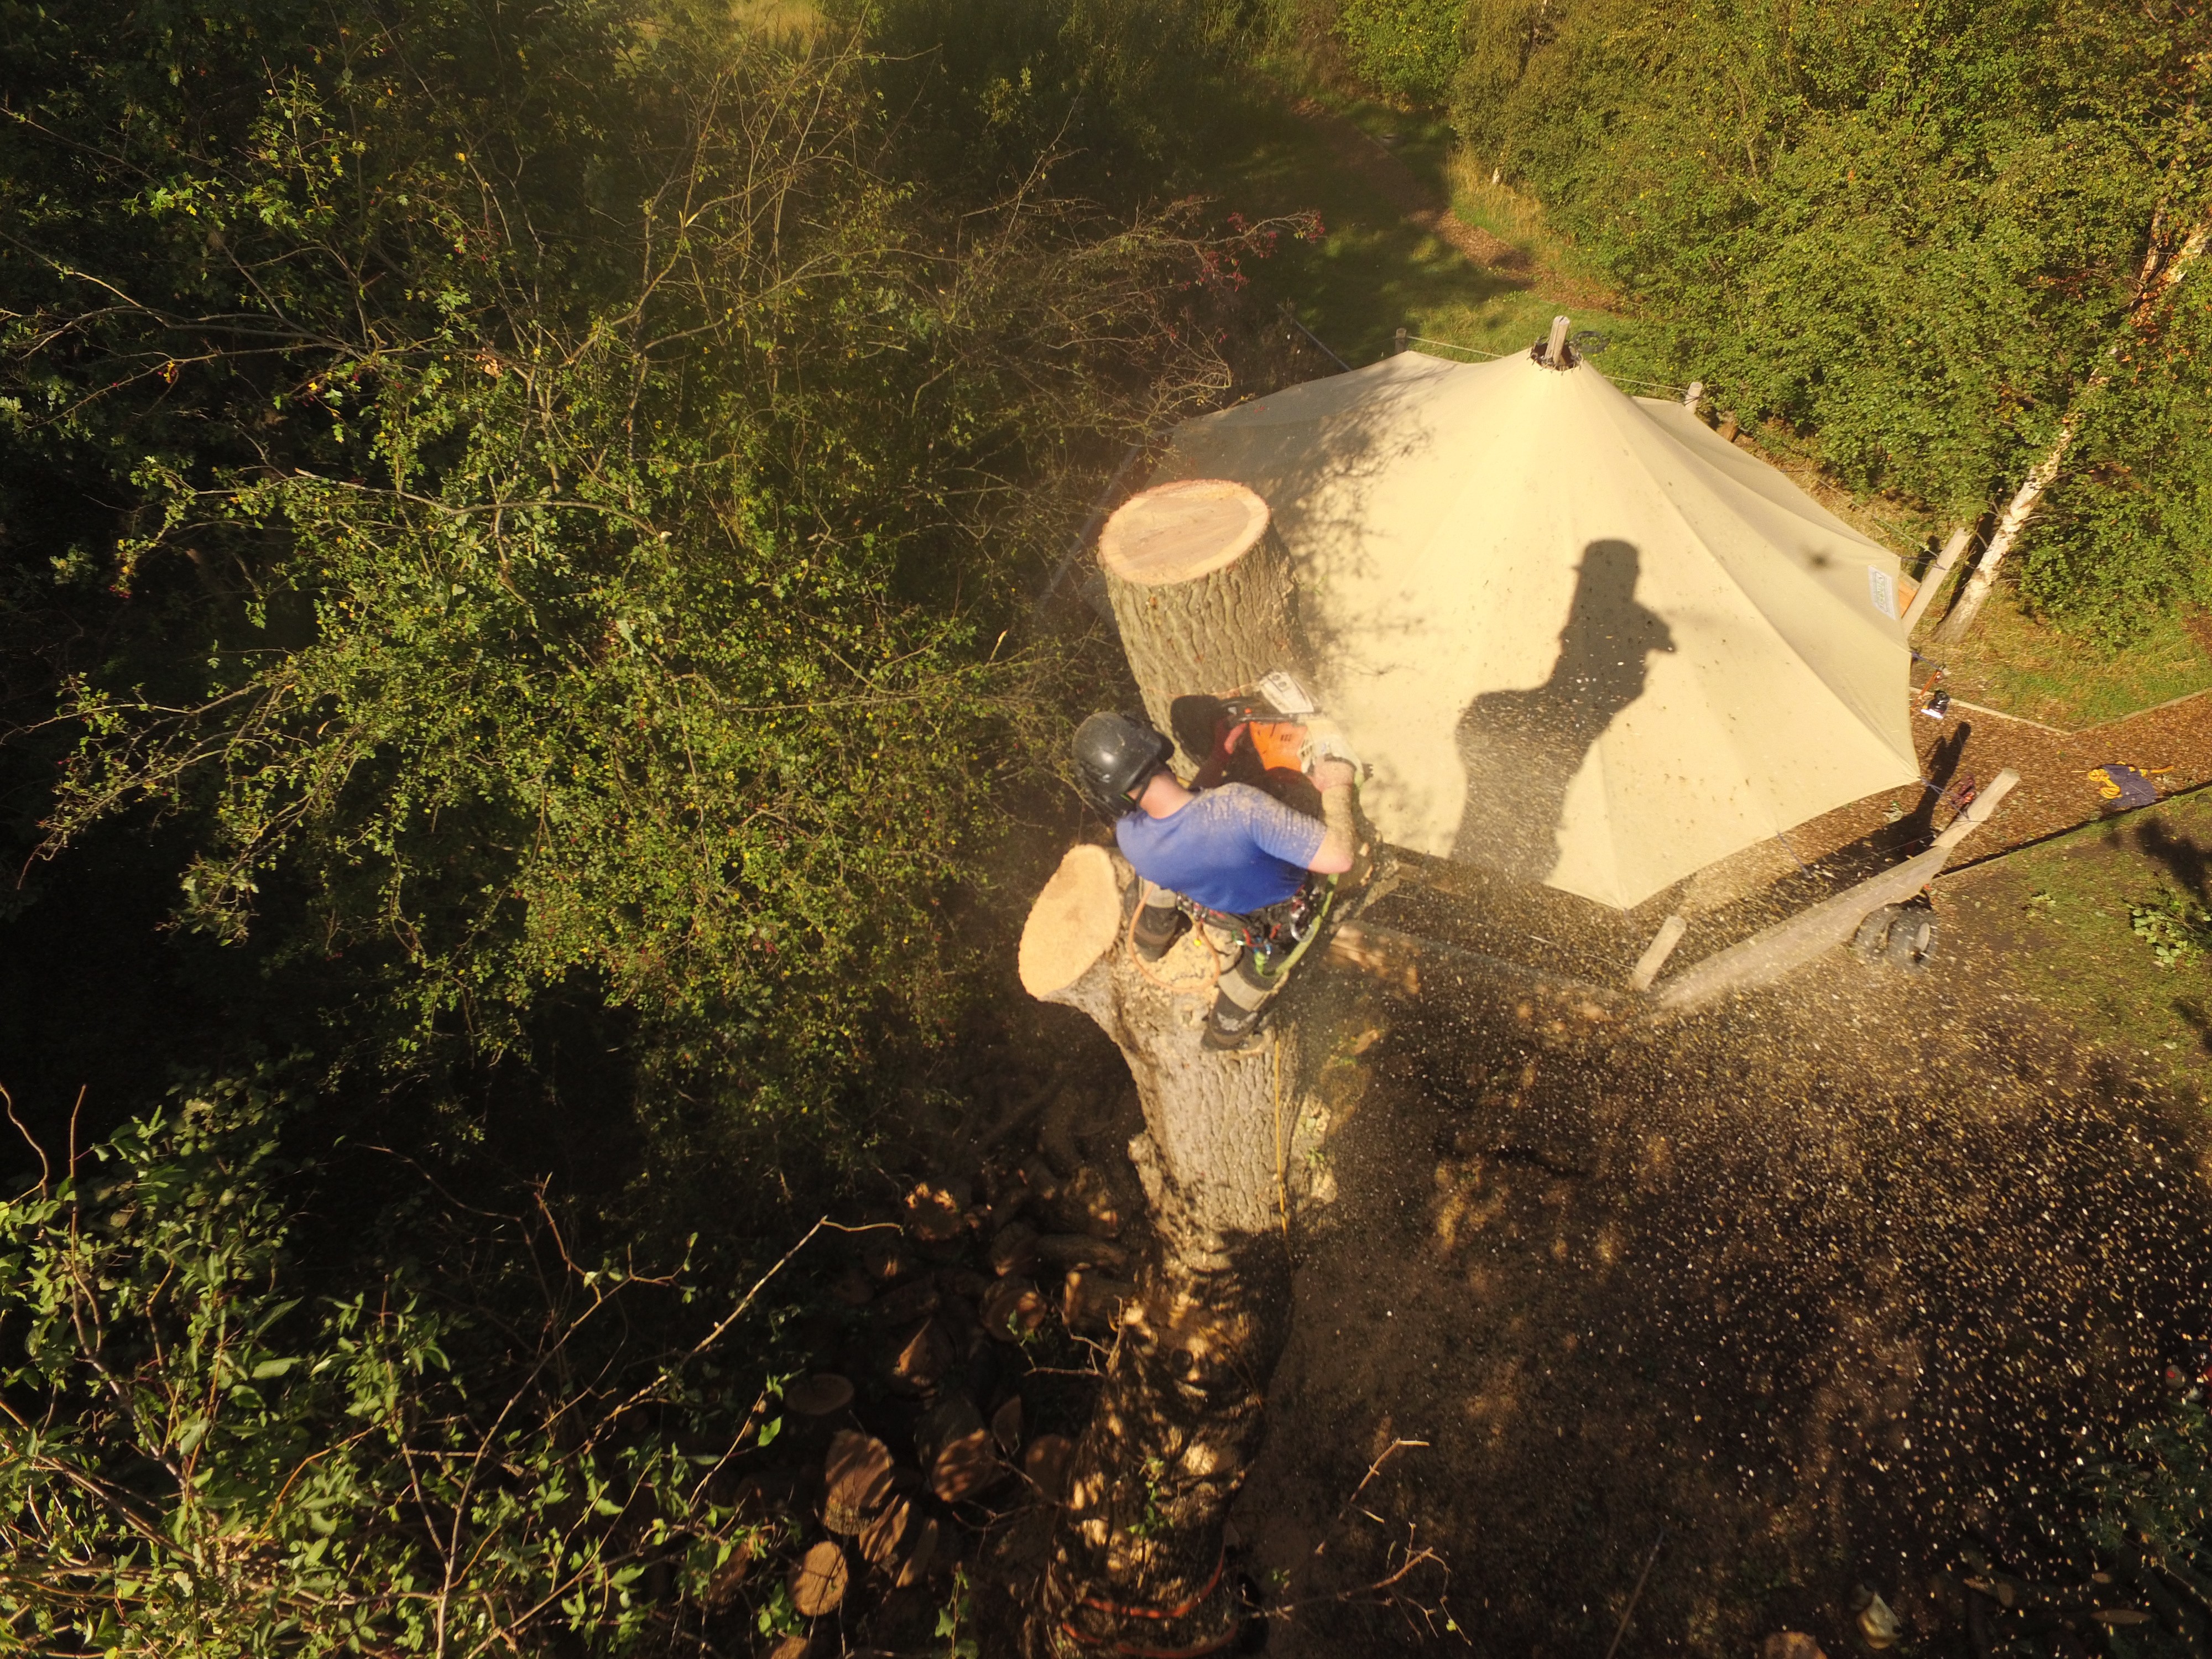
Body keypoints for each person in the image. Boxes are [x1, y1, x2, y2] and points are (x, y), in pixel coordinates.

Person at [1072, 709, 1359, 1050]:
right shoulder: (1240, 806)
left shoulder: (1131, 838)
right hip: (1284, 916)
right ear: (1152, 743)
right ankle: (1223, 1035)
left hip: (1218, 908)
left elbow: (1185, 810)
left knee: (1157, 881)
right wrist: (1337, 785)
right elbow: (1340, 858)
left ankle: (1152, 939)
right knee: (1262, 971)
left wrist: (1219, 756)